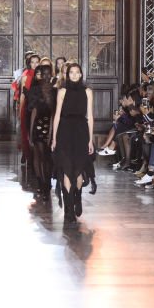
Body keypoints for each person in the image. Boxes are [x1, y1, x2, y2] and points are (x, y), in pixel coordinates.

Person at [50, 63, 94, 223]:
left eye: (77, 72)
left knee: (79, 169)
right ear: (67, 75)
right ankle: (68, 209)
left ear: (81, 75)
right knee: (66, 169)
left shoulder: (88, 92)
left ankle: (78, 196)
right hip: (65, 131)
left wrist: (90, 139)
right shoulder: (62, 91)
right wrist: (54, 138)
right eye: (71, 73)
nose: (74, 75)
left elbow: (90, 116)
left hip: (81, 131)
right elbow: (57, 116)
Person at [27, 63, 56, 201]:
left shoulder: (55, 91)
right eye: (43, 74)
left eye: (48, 74)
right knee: (39, 155)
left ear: (52, 75)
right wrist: (30, 131)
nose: (45, 76)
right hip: (38, 124)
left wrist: (52, 131)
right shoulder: (35, 90)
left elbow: (55, 113)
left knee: (48, 156)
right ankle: (41, 182)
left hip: (50, 125)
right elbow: (33, 111)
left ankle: (48, 181)